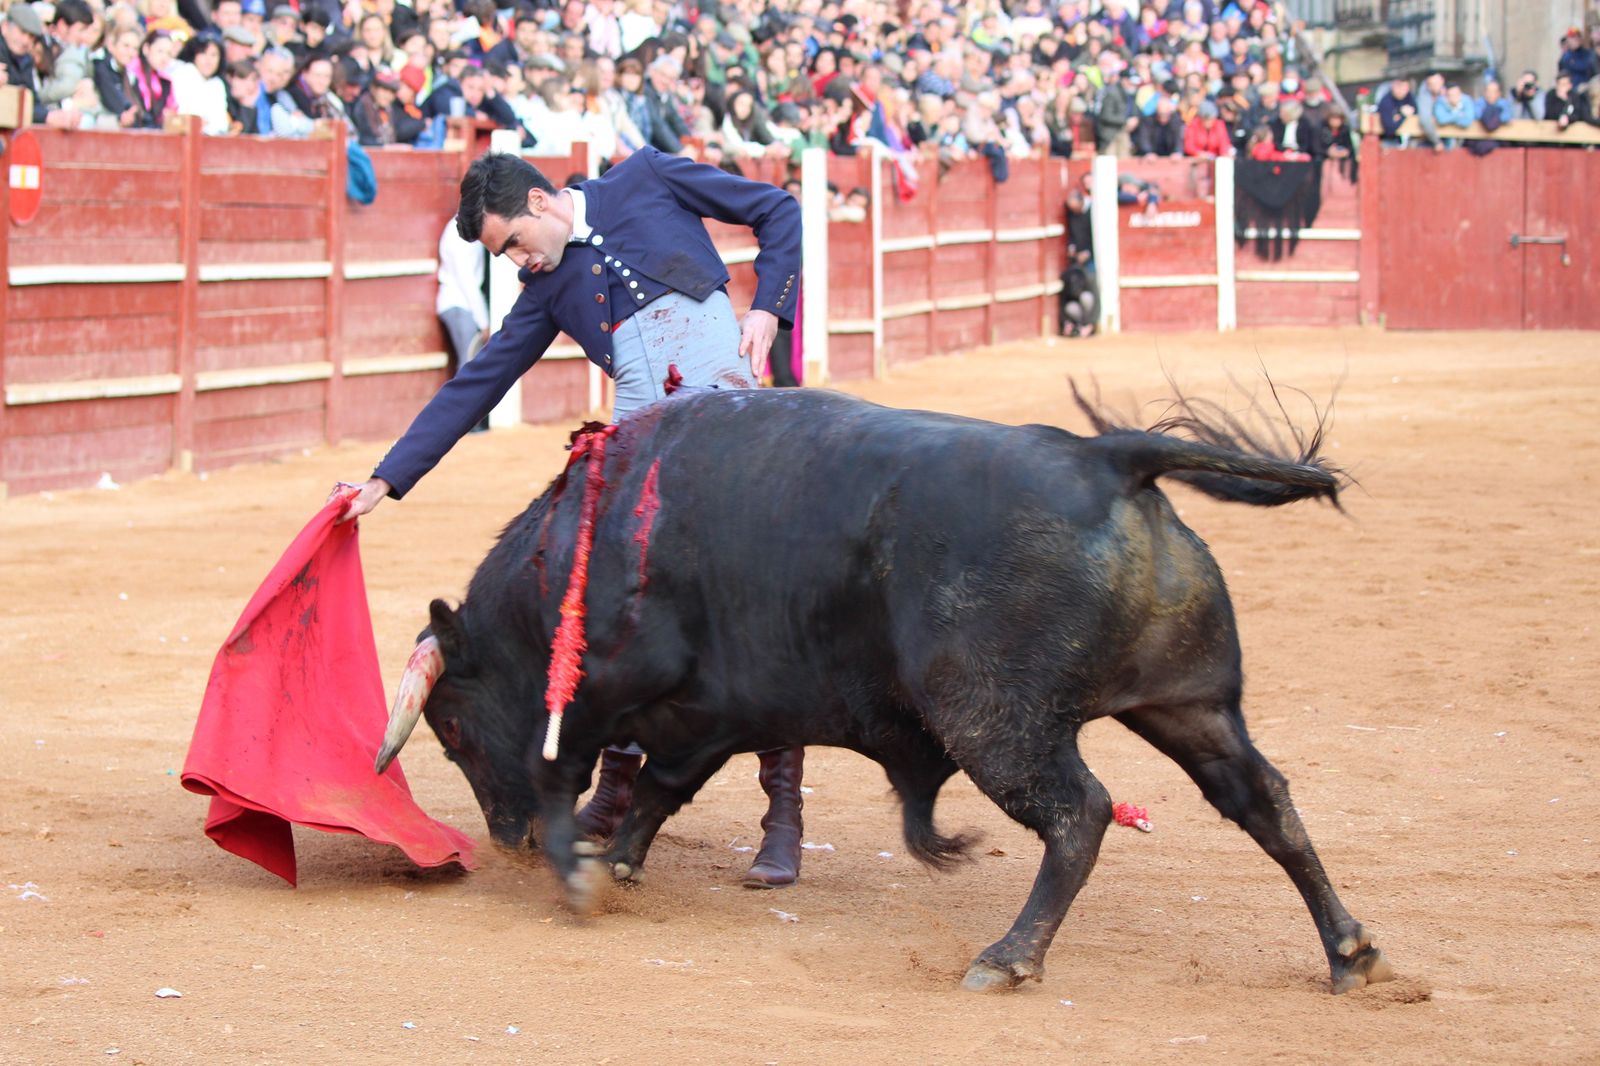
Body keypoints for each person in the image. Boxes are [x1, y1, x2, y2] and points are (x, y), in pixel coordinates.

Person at [333, 148, 808, 888]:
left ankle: (782, 819)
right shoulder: (547, 288)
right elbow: (478, 382)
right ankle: (615, 794)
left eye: (514, 243)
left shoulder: (646, 178)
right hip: (644, 463)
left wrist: (769, 306)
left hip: (735, 439)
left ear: (540, 201)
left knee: (757, 612)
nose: (518, 261)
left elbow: (777, 209)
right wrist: (385, 479)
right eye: (505, 255)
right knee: (618, 619)